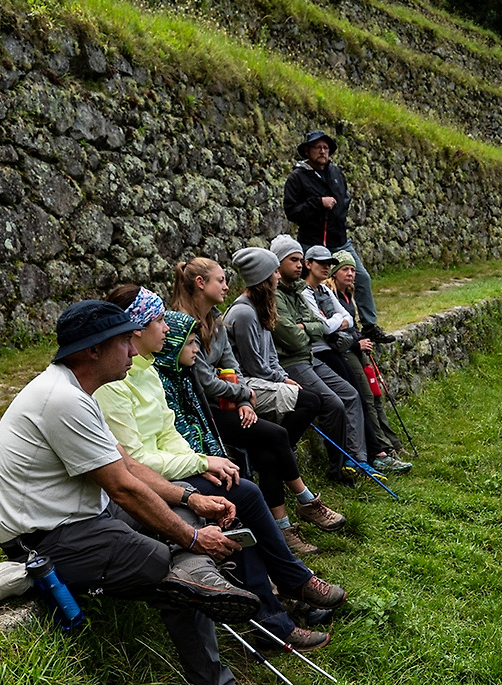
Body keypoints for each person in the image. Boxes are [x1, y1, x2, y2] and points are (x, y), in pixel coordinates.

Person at [0, 300, 269, 685]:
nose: (134, 351)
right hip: (45, 540)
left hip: (80, 520)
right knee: (165, 567)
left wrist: (189, 499)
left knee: (178, 520)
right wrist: (192, 538)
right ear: (93, 350)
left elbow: (129, 465)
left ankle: (200, 575)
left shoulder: (75, 391)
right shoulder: (63, 400)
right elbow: (122, 487)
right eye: (124, 342)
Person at [93, 285, 345, 651]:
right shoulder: (116, 382)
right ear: (137, 329)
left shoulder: (147, 370)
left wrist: (204, 465)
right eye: (159, 320)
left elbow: (168, 432)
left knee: (237, 497)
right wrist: (200, 462)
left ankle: (278, 608)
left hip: (170, 472)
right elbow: (134, 461)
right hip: (144, 486)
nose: (167, 328)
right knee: (243, 496)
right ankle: (286, 594)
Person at [165, 257, 347, 550]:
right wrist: (243, 394)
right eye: (220, 280)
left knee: (268, 448)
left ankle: (283, 528)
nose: (226, 286)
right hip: (204, 412)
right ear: (200, 283)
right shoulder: (183, 326)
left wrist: (244, 401)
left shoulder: (216, 319)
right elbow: (205, 383)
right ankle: (305, 501)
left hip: (227, 403)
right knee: (276, 436)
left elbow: (232, 366)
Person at [267, 235, 378, 483]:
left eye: (300, 259)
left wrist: (308, 327)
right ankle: (338, 466)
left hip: (309, 357)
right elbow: (296, 338)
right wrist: (314, 327)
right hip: (293, 362)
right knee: (334, 403)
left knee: (351, 394)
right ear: (278, 263)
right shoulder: (277, 296)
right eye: (293, 260)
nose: (299, 265)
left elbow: (320, 325)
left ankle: (357, 459)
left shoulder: (299, 290)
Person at [282, 129, 395, 344]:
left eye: (325, 147)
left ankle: (368, 325)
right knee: (305, 283)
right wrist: (318, 203)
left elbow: (344, 200)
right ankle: (308, 328)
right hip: (312, 242)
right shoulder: (297, 178)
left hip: (339, 241)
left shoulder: (335, 172)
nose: (322, 151)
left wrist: (336, 215)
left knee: (361, 277)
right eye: (318, 147)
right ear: (308, 151)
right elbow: (292, 211)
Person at [325, 249, 412, 475]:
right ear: (334, 273)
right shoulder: (330, 296)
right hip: (347, 352)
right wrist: (357, 343)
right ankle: (380, 451)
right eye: (345, 269)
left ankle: (391, 444)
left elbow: (350, 326)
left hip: (358, 350)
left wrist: (360, 338)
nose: (350, 274)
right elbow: (334, 331)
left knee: (376, 395)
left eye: (353, 270)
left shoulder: (347, 296)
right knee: (366, 398)